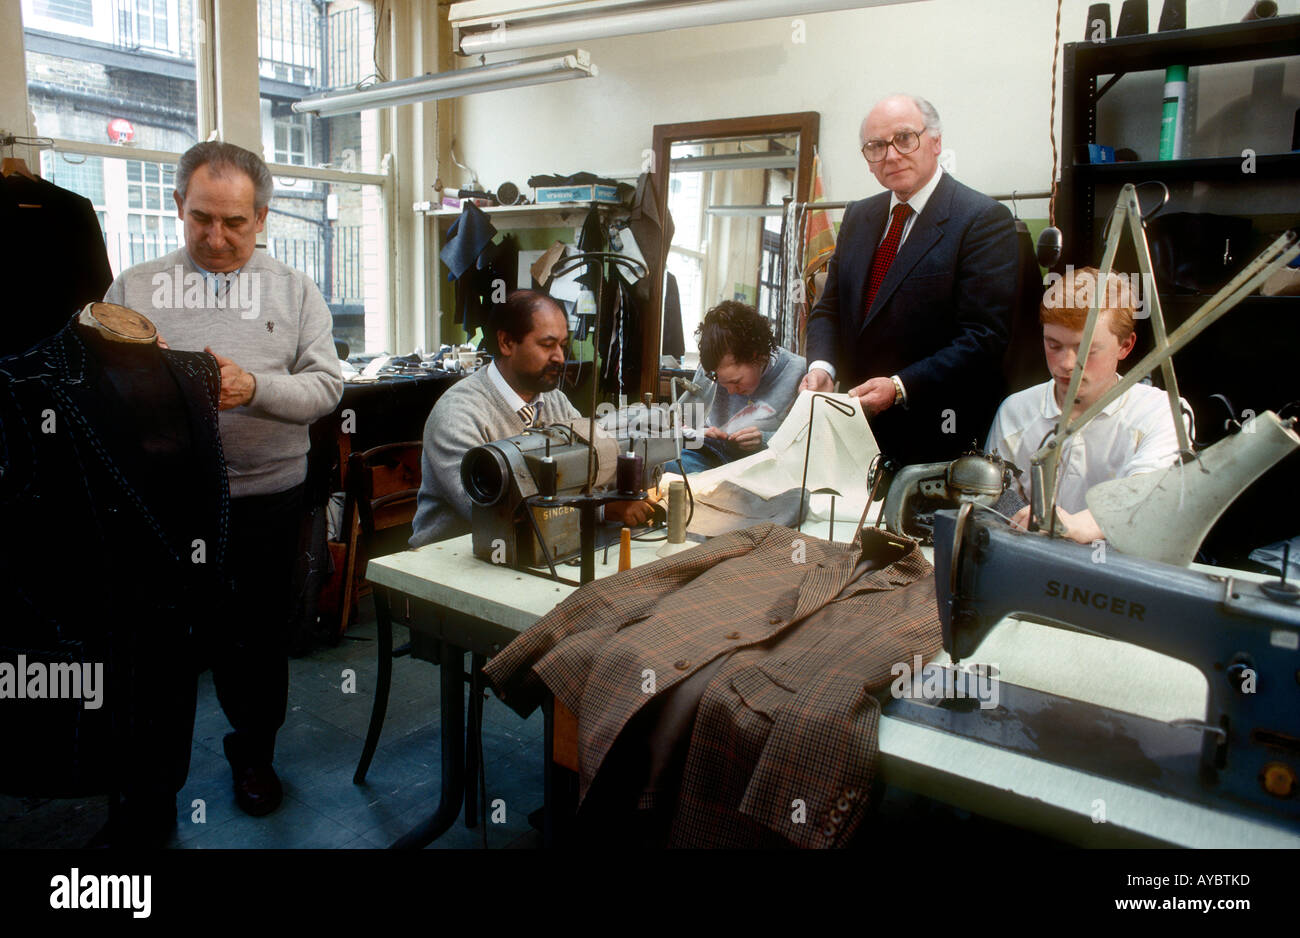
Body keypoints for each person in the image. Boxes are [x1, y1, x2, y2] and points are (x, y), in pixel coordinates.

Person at [104, 141, 343, 818]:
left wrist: (254, 388)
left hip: (266, 499)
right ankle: (152, 787)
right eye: (201, 217)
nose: (216, 236)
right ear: (178, 206)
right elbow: (102, 391)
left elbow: (327, 387)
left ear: (262, 217)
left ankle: (255, 758)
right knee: (159, 649)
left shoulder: (295, 291)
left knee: (256, 643)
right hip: (166, 508)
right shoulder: (136, 288)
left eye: (235, 222)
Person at [801, 93, 1018, 467]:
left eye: (904, 139)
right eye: (876, 146)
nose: (891, 155)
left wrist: (900, 386)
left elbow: (983, 338)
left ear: (935, 142)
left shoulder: (982, 219)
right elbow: (830, 309)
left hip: (936, 435)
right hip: (856, 432)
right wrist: (822, 368)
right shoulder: (858, 216)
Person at [410, 289, 652, 548]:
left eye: (563, 345)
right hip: (450, 559)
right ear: (506, 343)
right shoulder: (458, 414)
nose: (560, 357)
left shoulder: (555, 400)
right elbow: (489, 511)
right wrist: (603, 511)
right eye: (547, 345)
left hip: (539, 546)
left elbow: (591, 463)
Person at [985, 266, 1192, 545]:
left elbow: (1148, 495)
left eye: (1087, 351)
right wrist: (1019, 515)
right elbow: (996, 498)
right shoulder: (1016, 411)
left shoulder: (1162, 413)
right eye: (1053, 345)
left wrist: (1077, 525)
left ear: (1125, 346)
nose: (1067, 364)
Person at [676, 300, 805, 474]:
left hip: (764, 467)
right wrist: (697, 433)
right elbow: (681, 423)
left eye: (735, 382)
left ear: (756, 356)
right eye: (722, 384)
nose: (730, 391)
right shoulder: (711, 369)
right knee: (667, 469)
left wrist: (764, 439)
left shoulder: (799, 373)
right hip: (709, 458)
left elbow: (807, 442)